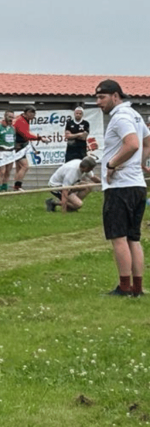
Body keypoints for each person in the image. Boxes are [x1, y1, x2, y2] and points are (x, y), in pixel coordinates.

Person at [95, 79, 150, 297]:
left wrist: (112, 164)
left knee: (118, 237)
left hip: (121, 186)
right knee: (133, 238)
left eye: (102, 97)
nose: (98, 102)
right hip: (137, 185)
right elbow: (147, 143)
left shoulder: (121, 117)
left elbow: (133, 144)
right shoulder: (135, 115)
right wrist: (139, 163)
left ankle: (124, 287)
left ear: (115, 96)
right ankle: (137, 288)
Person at [13, 107, 47, 190]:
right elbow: (26, 135)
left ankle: (16, 187)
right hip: (18, 146)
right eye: (31, 112)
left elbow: (27, 133)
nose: (33, 115)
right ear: (26, 113)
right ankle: (17, 186)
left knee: (19, 167)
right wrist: (39, 138)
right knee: (25, 166)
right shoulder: (21, 121)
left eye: (34, 113)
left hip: (21, 145)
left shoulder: (24, 119)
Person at [0, 110, 17, 191]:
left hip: (11, 151)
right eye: (9, 117)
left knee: (8, 171)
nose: (11, 119)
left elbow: (13, 139)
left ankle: (4, 187)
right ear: (5, 117)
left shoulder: (12, 128)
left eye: (12, 117)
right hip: (2, 151)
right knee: (2, 171)